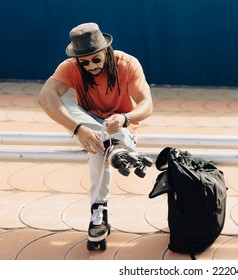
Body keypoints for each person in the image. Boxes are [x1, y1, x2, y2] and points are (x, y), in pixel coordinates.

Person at [38, 22, 153, 249]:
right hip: (89, 128)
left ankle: (98, 211)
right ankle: (118, 151)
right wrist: (77, 129)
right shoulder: (70, 67)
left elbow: (147, 104)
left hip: (119, 126)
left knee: (97, 150)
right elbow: (45, 98)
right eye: (85, 62)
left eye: (96, 59)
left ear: (107, 52)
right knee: (55, 97)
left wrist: (124, 118)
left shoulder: (128, 64)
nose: (90, 66)